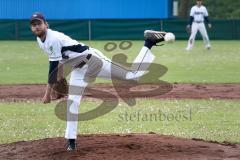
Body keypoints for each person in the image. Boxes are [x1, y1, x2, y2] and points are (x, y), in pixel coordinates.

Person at [30, 12, 167, 151]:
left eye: (39, 23)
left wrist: (47, 94)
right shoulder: (41, 41)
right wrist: (58, 83)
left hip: (94, 61)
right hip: (78, 69)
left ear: (46, 24)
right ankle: (71, 142)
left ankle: (149, 42)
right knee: (72, 102)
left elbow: (52, 70)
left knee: (132, 76)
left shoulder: (53, 38)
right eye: (33, 25)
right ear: (31, 28)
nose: (36, 27)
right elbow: (58, 62)